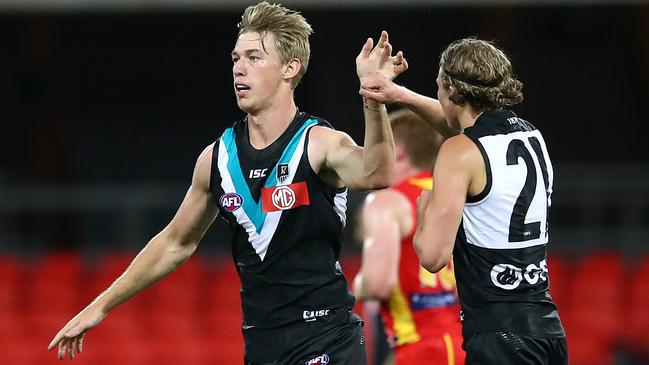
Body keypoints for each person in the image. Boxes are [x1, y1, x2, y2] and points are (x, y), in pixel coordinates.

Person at [48, 2, 408, 364]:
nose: (239, 68)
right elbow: (175, 242)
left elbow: (377, 173)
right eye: (236, 57)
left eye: (254, 57)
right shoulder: (216, 159)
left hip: (328, 339)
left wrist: (374, 101)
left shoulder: (319, 143)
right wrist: (101, 306)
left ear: (290, 68)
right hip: (261, 345)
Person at [359, 38, 568, 364]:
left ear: (452, 91)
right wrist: (397, 94)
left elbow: (432, 256)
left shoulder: (459, 152)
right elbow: (461, 128)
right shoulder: (529, 134)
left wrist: (425, 209)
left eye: (439, 86)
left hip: (497, 334)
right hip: (546, 328)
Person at [352, 109, 465, 365]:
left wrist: (351, 286)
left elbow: (377, 283)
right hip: (463, 343)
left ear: (398, 150)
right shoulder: (449, 198)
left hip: (420, 346)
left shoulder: (386, 202)